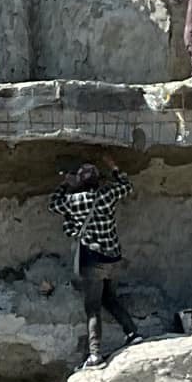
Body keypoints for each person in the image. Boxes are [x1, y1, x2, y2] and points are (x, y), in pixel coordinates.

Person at [51, 156, 144, 368]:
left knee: (93, 308)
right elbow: (126, 186)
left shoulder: (73, 201)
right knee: (108, 297)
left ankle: (95, 355)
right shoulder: (107, 195)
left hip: (91, 260)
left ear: (80, 182)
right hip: (111, 257)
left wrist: (65, 184)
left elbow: (54, 205)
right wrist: (114, 167)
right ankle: (132, 332)